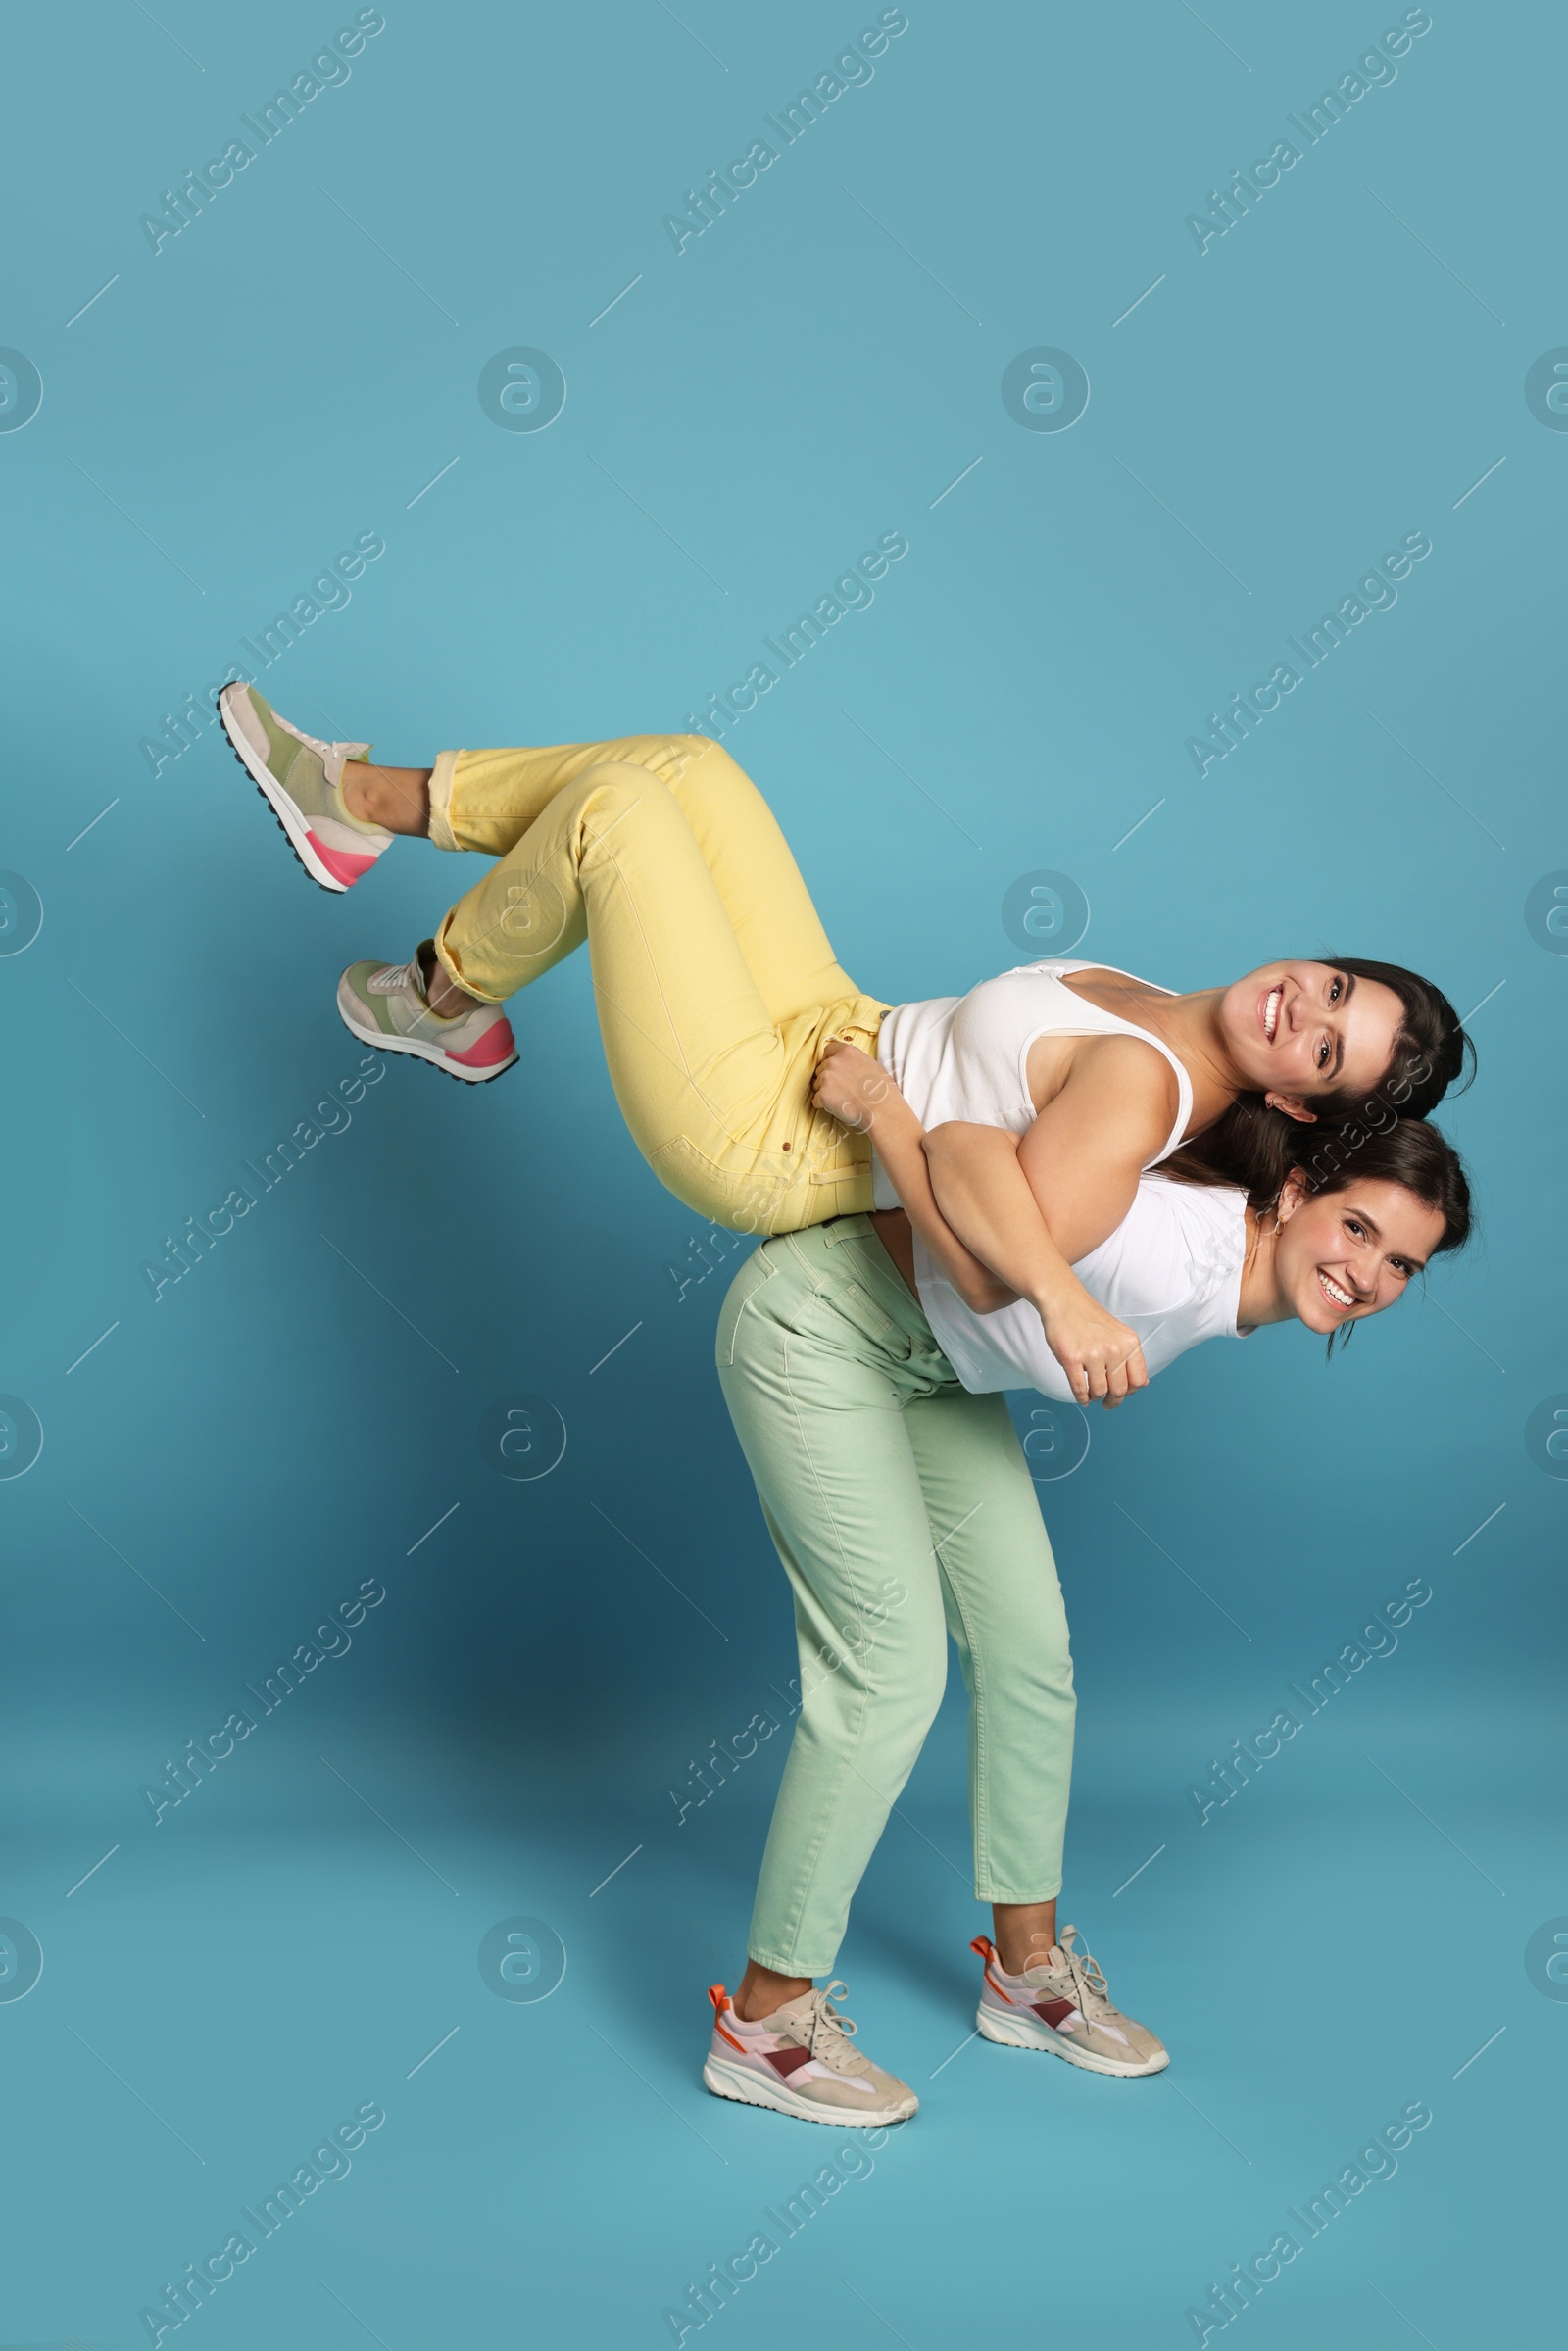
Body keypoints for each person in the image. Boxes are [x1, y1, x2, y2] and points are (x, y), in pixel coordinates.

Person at [218, 694, 1469, 1396]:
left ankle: (436, 992)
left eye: (1324, 1052)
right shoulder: (1154, 998)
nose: (1298, 1014)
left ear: (1306, 1106)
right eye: (1333, 988)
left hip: (773, 1128)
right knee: (688, 766)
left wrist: (888, 1119)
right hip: (831, 1016)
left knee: (617, 820)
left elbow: (982, 1271)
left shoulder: (1144, 1095)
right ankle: (365, 806)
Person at [701, 1112, 1473, 2126]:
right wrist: (1053, 1290)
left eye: (1402, 1263)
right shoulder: (1176, 1251)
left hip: (934, 1365)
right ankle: (761, 2019)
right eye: (1358, 1227)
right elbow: (968, 1144)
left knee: (1029, 1655)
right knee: (889, 1675)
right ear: (1292, 1195)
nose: (1368, 1273)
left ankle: (1027, 1971)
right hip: (822, 1324)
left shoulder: (1230, 1272)